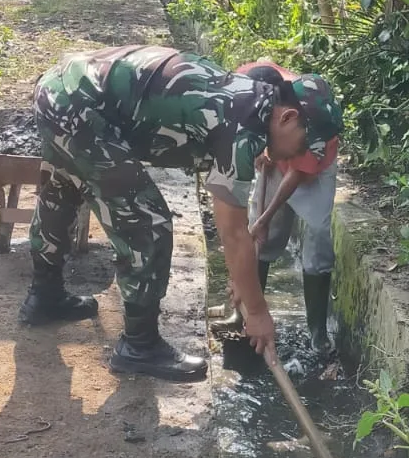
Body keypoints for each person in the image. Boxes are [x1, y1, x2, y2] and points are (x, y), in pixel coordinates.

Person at [20, 44, 343, 381]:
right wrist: (258, 313)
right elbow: (232, 234)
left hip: (63, 89)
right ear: (287, 117)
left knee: (63, 189)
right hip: (80, 106)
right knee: (148, 223)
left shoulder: (249, 100)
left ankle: (45, 295)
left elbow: (232, 228)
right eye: (305, 143)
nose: (302, 154)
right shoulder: (242, 128)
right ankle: (138, 345)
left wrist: (241, 280)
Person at [213, 58, 339, 353]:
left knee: (318, 236)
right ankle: (243, 315)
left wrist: (264, 218)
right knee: (259, 242)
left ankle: (317, 334)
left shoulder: (315, 123)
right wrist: (260, 150)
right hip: (278, 151)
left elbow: (296, 173)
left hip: (310, 172)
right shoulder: (250, 84)